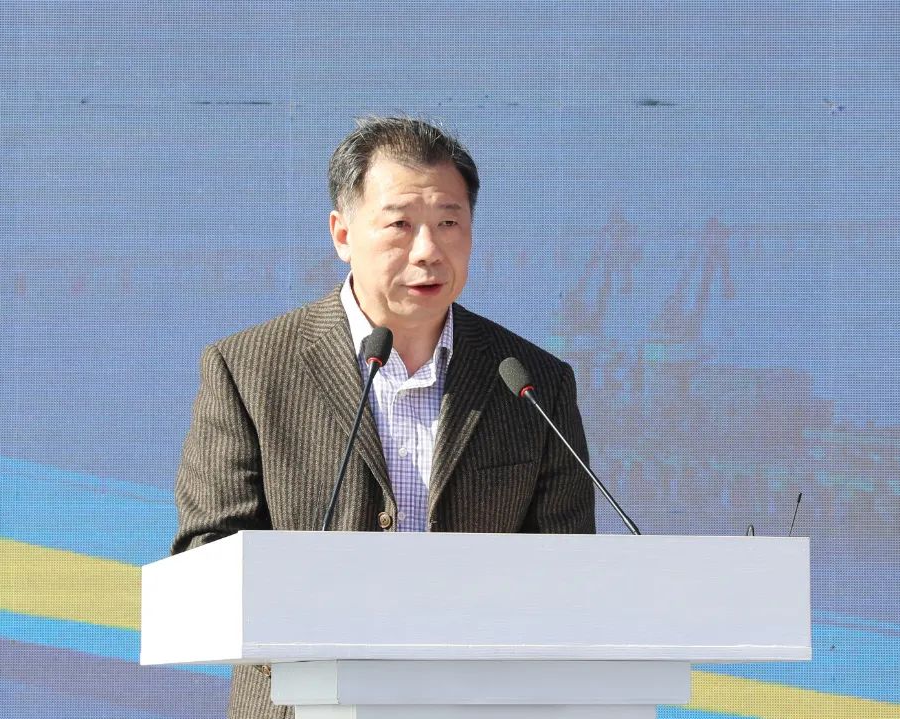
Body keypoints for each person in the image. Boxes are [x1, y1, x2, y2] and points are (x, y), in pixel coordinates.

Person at [171, 116, 595, 719]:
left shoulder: (532, 381)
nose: (428, 251)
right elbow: (208, 555)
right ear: (343, 234)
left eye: (449, 223)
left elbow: (570, 568)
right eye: (400, 224)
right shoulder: (248, 370)